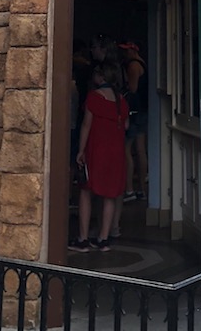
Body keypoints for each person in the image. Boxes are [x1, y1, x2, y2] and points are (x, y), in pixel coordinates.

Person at [69, 58, 129, 253]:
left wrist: (80, 150)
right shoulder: (121, 101)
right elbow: (126, 126)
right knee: (110, 195)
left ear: (101, 76)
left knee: (86, 191)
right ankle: (103, 238)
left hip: (97, 149)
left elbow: (86, 125)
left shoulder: (94, 97)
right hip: (116, 151)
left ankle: (83, 238)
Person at [120, 41, 148, 202]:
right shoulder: (143, 63)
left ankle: (129, 189)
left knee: (127, 149)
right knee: (141, 149)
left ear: (132, 50)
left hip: (134, 111)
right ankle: (142, 190)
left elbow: (132, 89)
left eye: (126, 50)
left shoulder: (132, 66)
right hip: (143, 110)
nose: (124, 54)